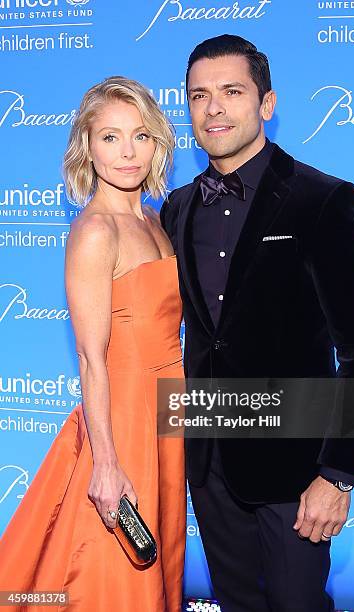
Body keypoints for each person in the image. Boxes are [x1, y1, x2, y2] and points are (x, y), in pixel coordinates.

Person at [160, 35, 354, 612]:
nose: (213, 108)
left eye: (231, 91)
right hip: (210, 463)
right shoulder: (177, 207)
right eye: (199, 95)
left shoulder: (323, 200)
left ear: (266, 103)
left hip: (297, 473)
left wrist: (338, 474)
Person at [0, 76, 186, 612]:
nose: (127, 151)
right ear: (86, 146)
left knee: (160, 555)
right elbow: (90, 356)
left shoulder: (154, 220)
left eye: (140, 135)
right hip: (123, 417)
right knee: (111, 573)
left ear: (157, 142)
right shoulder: (95, 231)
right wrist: (105, 460)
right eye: (109, 137)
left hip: (166, 415)